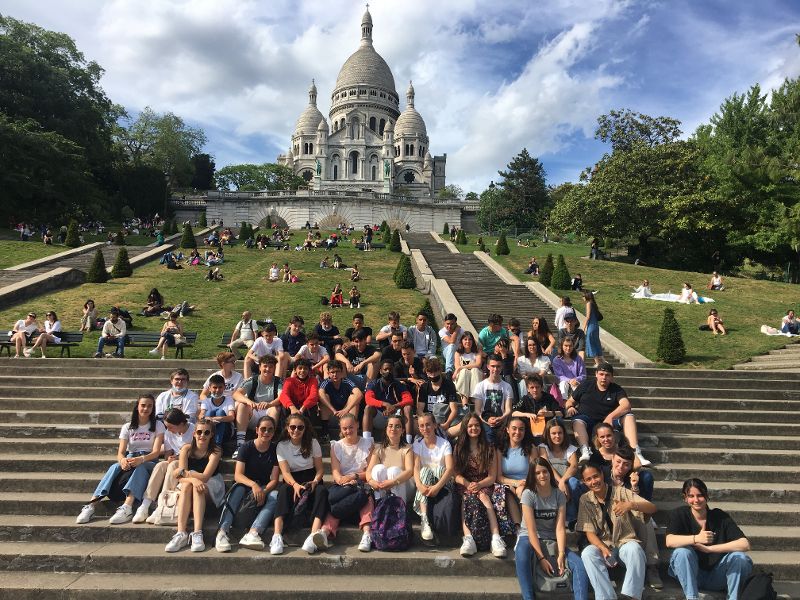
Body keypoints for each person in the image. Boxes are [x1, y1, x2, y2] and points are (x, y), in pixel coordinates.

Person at [76, 394, 165, 525]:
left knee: (140, 467)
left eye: (150, 406)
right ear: (137, 407)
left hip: (149, 460)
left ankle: (127, 507)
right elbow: (121, 452)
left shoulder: (158, 425)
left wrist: (141, 459)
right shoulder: (127, 426)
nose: (146, 408)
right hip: (131, 457)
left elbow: (156, 452)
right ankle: (91, 505)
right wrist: (122, 460)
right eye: (143, 405)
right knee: (114, 467)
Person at [576, 463, 657, 600]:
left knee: (634, 549)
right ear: (584, 482)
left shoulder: (621, 491)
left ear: (602, 475)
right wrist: (602, 548)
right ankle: (606, 597)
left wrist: (631, 504)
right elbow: (589, 532)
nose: (593, 481)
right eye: (588, 479)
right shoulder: (585, 499)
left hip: (625, 542)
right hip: (604, 545)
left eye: (596, 476)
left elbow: (652, 508)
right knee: (587, 553)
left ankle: (631, 596)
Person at [515, 457, 590, 600]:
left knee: (579, 565)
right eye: (537, 473)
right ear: (533, 476)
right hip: (530, 537)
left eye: (545, 472)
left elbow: (560, 528)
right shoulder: (528, 494)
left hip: (552, 538)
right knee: (521, 553)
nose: (542, 475)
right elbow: (531, 530)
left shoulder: (559, 495)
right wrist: (542, 558)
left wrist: (561, 553)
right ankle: (528, 597)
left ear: (550, 473)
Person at [666, 478, 752, 599]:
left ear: (706, 495)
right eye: (691, 496)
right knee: (681, 552)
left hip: (717, 576)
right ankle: (692, 597)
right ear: (685, 497)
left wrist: (710, 549)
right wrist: (696, 538)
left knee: (740, 558)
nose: (696, 500)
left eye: (700, 495)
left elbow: (744, 544)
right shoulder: (679, 514)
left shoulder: (719, 516)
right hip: (691, 575)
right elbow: (669, 541)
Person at [215, 415, 281, 553]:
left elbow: (274, 479)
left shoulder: (275, 449)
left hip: (263, 486)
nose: (266, 432)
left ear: (274, 432)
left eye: (270, 430)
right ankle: (222, 531)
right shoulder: (246, 447)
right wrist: (253, 485)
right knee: (238, 489)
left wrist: (264, 490)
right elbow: (238, 475)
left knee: (275, 495)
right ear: (257, 430)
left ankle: (253, 533)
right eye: (263, 429)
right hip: (245, 484)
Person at [566, 363, 651, 467]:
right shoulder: (585, 385)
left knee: (629, 416)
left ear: (612, 377)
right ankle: (585, 450)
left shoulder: (616, 389)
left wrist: (610, 417)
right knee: (577, 421)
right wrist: (570, 407)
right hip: (587, 421)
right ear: (596, 374)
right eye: (601, 374)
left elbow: (626, 405)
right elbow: (570, 401)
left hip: (609, 423)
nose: (604, 377)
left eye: (607, 375)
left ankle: (636, 453)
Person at [272, 414, 329, 555]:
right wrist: (295, 485)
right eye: (292, 427)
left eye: (300, 427)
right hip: (293, 480)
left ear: (305, 429)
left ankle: (312, 535)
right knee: (284, 490)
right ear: (287, 428)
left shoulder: (313, 442)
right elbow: (284, 472)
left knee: (322, 491)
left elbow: (320, 469)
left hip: (311, 479)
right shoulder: (282, 446)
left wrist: (315, 481)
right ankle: (277, 535)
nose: (296, 430)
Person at [164, 419, 224, 552]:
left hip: (212, 483)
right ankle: (181, 533)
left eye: (206, 432)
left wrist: (189, 474)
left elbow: (205, 477)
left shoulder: (215, 451)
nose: (202, 435)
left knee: (197, 488)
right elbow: (180, 478)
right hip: (192, 483)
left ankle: (197, 533)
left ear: (211, 435)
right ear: (194, 434)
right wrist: (193, 480)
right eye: (199, 432)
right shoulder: (186, 448)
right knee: (188, 486)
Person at [317, 414, 375, 552]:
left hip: (362, 482)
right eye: (345, 428)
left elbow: (370, 472)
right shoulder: (336, 446)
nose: (348, 431)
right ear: (341, 429)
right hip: (343, 485)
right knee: (338, 502)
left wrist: (354, 477)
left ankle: (367, 533)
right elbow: (336, 472)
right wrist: (344, 481)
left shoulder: (368, 444)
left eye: (351, 427)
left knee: (367, 497)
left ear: (357, 425)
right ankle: (324, 532)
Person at [453, 413, 507, 558]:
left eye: (477, 425)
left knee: (483, 496)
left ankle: (496, 538)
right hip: (465, 484)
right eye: (470, 425)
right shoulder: (459, 448)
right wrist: (468, 484)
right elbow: (456, 475)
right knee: (466, 497)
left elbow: (492, 476)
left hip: (485, 483)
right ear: (465, 428)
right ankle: (468, 538)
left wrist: (479, 485)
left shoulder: (489, 448)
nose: (474, 428)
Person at [134, 408, 195, 524]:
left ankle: (162, 505)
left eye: (171, 427)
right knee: (161, 465)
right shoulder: (168, 433)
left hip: (189, 463)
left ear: (181, 424)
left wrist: (176, 459)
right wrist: (169, 458)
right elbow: (167, 454)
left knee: (173, 465)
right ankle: (145, 504)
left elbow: (196, 453)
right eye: (167, 426)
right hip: (175, 461)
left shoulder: (194, 430)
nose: (169, 429)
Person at [412, 412, 455, 542]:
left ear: (435, 425)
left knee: (440, 468)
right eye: (422, 426)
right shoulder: (417, 444)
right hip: (425, 484)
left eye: (428, 425)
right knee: (424, 471)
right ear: (419, 428)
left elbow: (450, 468)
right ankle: (424, 519)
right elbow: (416, 468)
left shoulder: (444, 444)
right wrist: (419, 485)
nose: (425, 429)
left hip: (442, 482)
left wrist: (436, 487)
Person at [232, 355, 282, 456]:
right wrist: (249, 401)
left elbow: (281, 397)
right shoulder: (253, 380)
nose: (267, 369)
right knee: (242, 405)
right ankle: (240, 445)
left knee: (276, 408)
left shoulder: (278, 381)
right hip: (254, 411)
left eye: (271, 367)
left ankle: (268, 443)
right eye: (265, 366)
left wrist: (269, 404)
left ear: (274, 368)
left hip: (269, 412)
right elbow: (236, 394)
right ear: (260, 367)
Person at [538, 417, 581, 523]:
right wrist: (559, 481)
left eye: (560, 433)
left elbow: (574, 466)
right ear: (548, 434)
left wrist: (563, 481)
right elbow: (546, 465)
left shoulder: (570, 448)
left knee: (574, 483)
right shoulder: (543, 447)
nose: (557, 436)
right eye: (553, 433)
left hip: (566, 479)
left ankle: (573, 518)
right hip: (550, 478)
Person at [367, 414, 415, 503]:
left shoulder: (408, 448)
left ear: (403, 431)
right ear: (386, 429)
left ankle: (398, 510)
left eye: (397, 426)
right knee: (378, 469)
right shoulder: (378, 448)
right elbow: (369, 471)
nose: (393, 429)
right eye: (390, 426)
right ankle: (379, 504)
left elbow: (409, 471)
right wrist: (371, 481)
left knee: (393, 471)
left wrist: (393, 482)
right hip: (384, 487)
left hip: (403, 485)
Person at [364, 358, 414, 440]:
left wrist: (394, 406)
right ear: (380, 371)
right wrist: (385, 404)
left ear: (394, 371)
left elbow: (409, 400)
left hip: (395, 417)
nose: (388, 371)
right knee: (368, 408)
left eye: (390, 369)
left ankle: (409, 441)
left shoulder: (399, 384)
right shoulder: (373, 384)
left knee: (408, 408)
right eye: (385, 369)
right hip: (380, 416)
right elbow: (368, 399)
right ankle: (367, 441)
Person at [471, 354, 513, 443]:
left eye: (498, 366)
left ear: (501, 367)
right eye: (493, 366)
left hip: (501, 421)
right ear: (488, 367)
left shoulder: (507, 386)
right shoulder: (480, 386)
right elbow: (477, 410)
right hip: (485, 421)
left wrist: (501, 418)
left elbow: (508, 409)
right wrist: (487, 421)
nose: (495, 369)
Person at [318, 359, 364, 439]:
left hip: (346, 415)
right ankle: (325, 433)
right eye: (332, 372)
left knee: (354, 397)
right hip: (332, 414)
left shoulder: (346, 381)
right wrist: (333, 410)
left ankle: (349, 431)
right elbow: (320, 394)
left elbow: (359, 394)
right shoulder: (326, 382)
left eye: (337, 371)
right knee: (324, 396)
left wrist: (346, 410)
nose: (335, 374)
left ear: (342, 372)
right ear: (328, 373)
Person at [417, 357, 461, 437]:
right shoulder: (424, 387)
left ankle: (439, 435)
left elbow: (454, 410)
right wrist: (428, 423)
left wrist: (446, 424)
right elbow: (420, 410)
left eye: (435, 371)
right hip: (428, 424)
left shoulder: (449, 385)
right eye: (430, 372)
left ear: (440, 370)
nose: (433, 375)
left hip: (445, 423)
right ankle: (439, 435)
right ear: (426, 372)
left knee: (464, 424)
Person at [273, 358, 319, 423]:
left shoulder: (313, 380)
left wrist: (302, 409)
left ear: (309, 371)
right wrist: (293, 408)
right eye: (300, 368)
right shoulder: (289, 380)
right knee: (284, 406)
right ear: (295, 370)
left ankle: (309, 430)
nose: (302, 370)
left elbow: (314, 396)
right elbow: (284, 395)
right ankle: (286, 430)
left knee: (312, 406)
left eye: (305, 368)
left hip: (305, 407)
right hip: (292, 406)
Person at [198, 375, 235, 446]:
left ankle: (217, 445)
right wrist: (208, 419)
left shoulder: (229, 399)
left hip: (226, 431)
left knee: (220, 412)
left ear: (224, 387)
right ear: (209, 388)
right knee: (209, 412)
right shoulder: (206, 401)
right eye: (215, 387)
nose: (217, 390)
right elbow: (201, 415)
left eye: (220, 387)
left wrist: (216, 419)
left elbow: (232, 417)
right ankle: (208, 443)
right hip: (211, 429)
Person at [453, 331, 483, 402]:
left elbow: (478, 364)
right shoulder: (458, 353)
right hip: (462, 376)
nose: (468, 341)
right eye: (465, 339)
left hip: (474, 377)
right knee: (464, 372)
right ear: (461, 341)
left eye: (470, 339)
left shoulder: (477, 352)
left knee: (475, 370)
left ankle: (474, 398)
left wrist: (462, 367)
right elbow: (457, 367)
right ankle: (464, 401)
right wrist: (461, 368)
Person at [583, 291, 603, 367]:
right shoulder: (593, 304)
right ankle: (602, 361)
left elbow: (588, 317)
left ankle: (597, 362)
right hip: (595, 326)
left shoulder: (588, 304)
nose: (582, 298)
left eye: (583, 296)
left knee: (590, 342)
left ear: (587, 296)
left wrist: (584, 327)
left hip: (591, 326)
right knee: (596, 342)